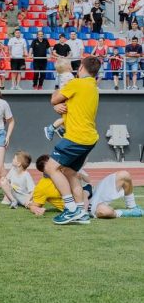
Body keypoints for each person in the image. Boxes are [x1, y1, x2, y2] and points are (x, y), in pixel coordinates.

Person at [45, 56, 101, 225]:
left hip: (76, 137)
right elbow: (72, 104)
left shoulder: (76, 83)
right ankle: (81, 212)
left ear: (81, 68)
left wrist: (56, 101)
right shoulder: (93, 85)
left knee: (50, 168)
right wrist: (59, 106)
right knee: (69, 172)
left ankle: (70, 209)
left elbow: (54, 99)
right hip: (89, 138)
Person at [43, 58, 74, 141]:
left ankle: (62, 129)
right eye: (70, 64)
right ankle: (51, 128)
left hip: (63, 96)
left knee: (66, 116)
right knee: (67, 117)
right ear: (67, 66)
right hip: (65, 97)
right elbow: (72, 85)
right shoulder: (69, 75)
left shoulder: (61, 75)